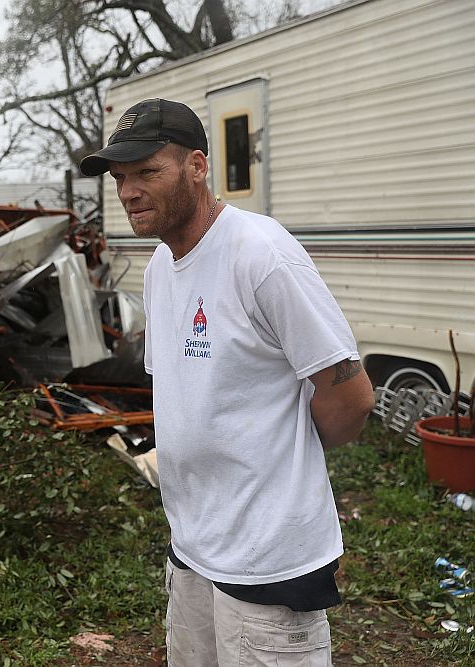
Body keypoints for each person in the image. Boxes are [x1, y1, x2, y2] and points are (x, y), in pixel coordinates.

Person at [81, 99, 375, 666]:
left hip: (269, 559)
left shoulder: (259, 253)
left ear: (198, 166)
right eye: (120, 177)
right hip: (193, 548)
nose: (128, 191)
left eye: (148, 172)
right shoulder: (159, 270)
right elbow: (190, 398)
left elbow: (352, 396)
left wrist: (287, 466)